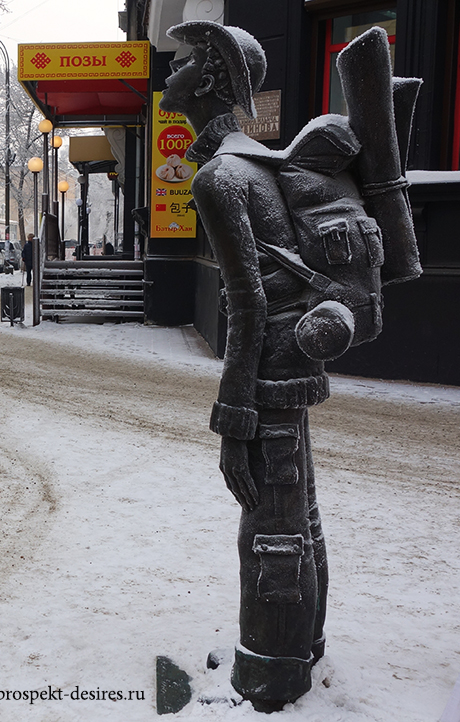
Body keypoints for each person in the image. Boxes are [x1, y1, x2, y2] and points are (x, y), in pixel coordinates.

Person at [160, 22, 328, 712]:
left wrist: (233, 416)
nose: (171, 68)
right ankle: (299, 649)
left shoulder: (219, 176)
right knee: (298, 516)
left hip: (268, 375)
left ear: (209, 79)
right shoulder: (254, 160)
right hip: (294, 366)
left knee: (268, 528)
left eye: (186, 59)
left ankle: (270, 673)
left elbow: (248, 303)